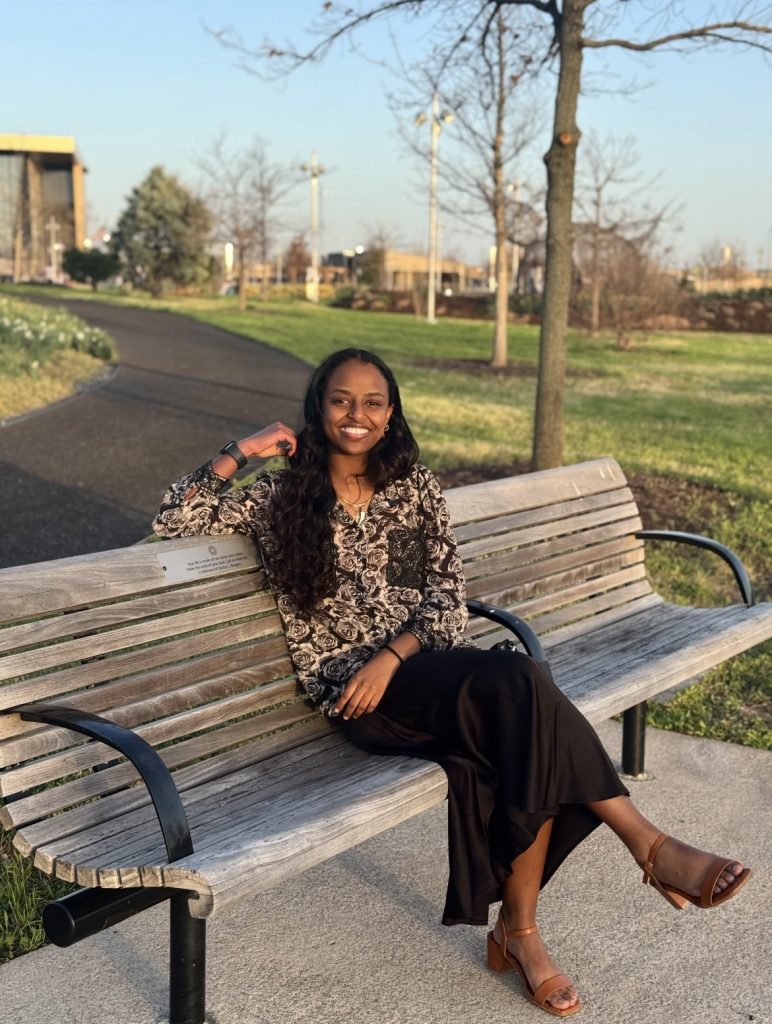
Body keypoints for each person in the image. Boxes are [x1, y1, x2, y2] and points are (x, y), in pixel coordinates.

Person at [153, 348, 751, 1018]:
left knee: (522, 710)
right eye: (341, 400)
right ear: (319, 408)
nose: (356, 415)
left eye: (373, 402)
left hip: (418, 672)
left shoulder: (412, 491)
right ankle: (631, 857)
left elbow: (444, 601)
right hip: (354, 696)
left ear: (391, 414)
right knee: (524, 692)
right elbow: (173, 519)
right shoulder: (281, 497)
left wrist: (393, 656)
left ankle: (528, 930)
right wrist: (248, 448)